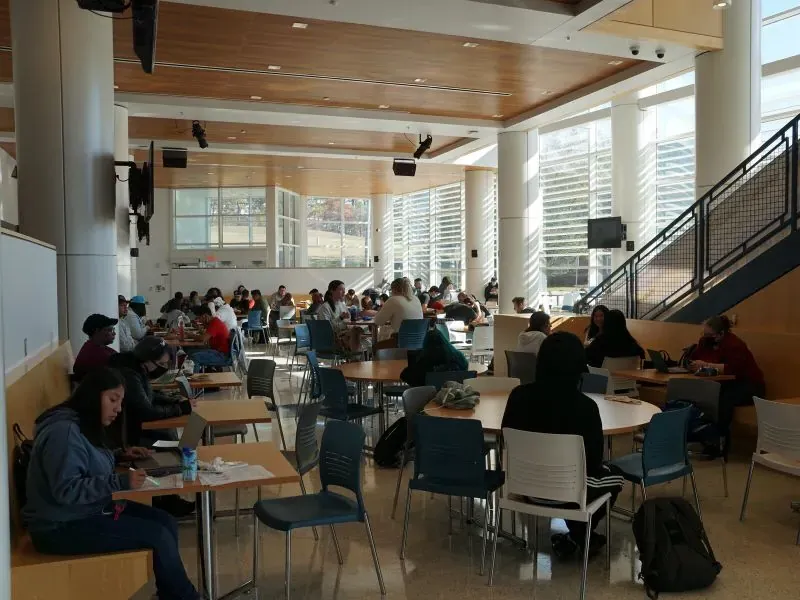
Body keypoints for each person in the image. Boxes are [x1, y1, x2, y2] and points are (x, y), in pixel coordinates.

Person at [22, 368, 202, 600]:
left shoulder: (80, 422)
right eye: (112, 400)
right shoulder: (64, 433)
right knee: (158, 535)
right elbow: (66, 491)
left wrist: (119, 455)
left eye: (120, 401)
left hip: (85, 511)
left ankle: (170, 594)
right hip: (59, 527)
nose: (118, 409)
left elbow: (83, 460)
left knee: (166, 521)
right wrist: (120, 481)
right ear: (92, 396)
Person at [502, 332, 624, 559]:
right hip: (568, 490)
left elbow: (506, 439)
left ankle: (578, 535)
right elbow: (594, 461)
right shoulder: (585, 407)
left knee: (581, 479)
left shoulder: (518, 396)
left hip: (525, 487)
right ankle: (582, 533)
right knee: (616, 475)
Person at [688, 315, 765, 454]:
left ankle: (719, 440)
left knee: (723, 398)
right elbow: (695, 358)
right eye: (704, 333)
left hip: (749, 385)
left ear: (721, 333)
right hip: (724, 383)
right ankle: (702, 433)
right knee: (702, 394)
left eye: (709, 334)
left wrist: (706, 365)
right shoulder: (705, 342)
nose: (705, 336)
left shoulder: (735, 345)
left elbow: (734, 369)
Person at [108, 337, 193, 446]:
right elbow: (146, 411)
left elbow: (147, 395)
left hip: (135, 427)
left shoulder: (137, 368)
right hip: (132, 436)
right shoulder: (129, 375)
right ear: (147, 359)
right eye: (161, 364)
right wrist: (180, 408)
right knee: (171, 438)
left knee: (173, 432)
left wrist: (174, 401)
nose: (162, 368)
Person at [372, 278, 424, 345]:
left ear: (394, 289)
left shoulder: (393, 300)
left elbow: (378, 321)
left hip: (400, 343)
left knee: (379, 339)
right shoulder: (416, 299)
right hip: (418, 342)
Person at [317, 280, 364, 352]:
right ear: (332, 290)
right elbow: (326, 328)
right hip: (332, 339)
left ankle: (356, 357)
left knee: (359, 331)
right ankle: (355, 358)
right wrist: (340, 318)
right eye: (341, 289)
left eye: (344, 290)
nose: (344, 292)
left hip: (343, 335)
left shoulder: (342, 305)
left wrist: (354, 320)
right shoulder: (325, 307)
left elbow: (347, 320)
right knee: (356, 334)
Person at [73, 314, 118, 380]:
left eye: (113, 330)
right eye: (110, 330)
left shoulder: (95, 347)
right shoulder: (95, 354)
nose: (114, 333)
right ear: (97, 331)